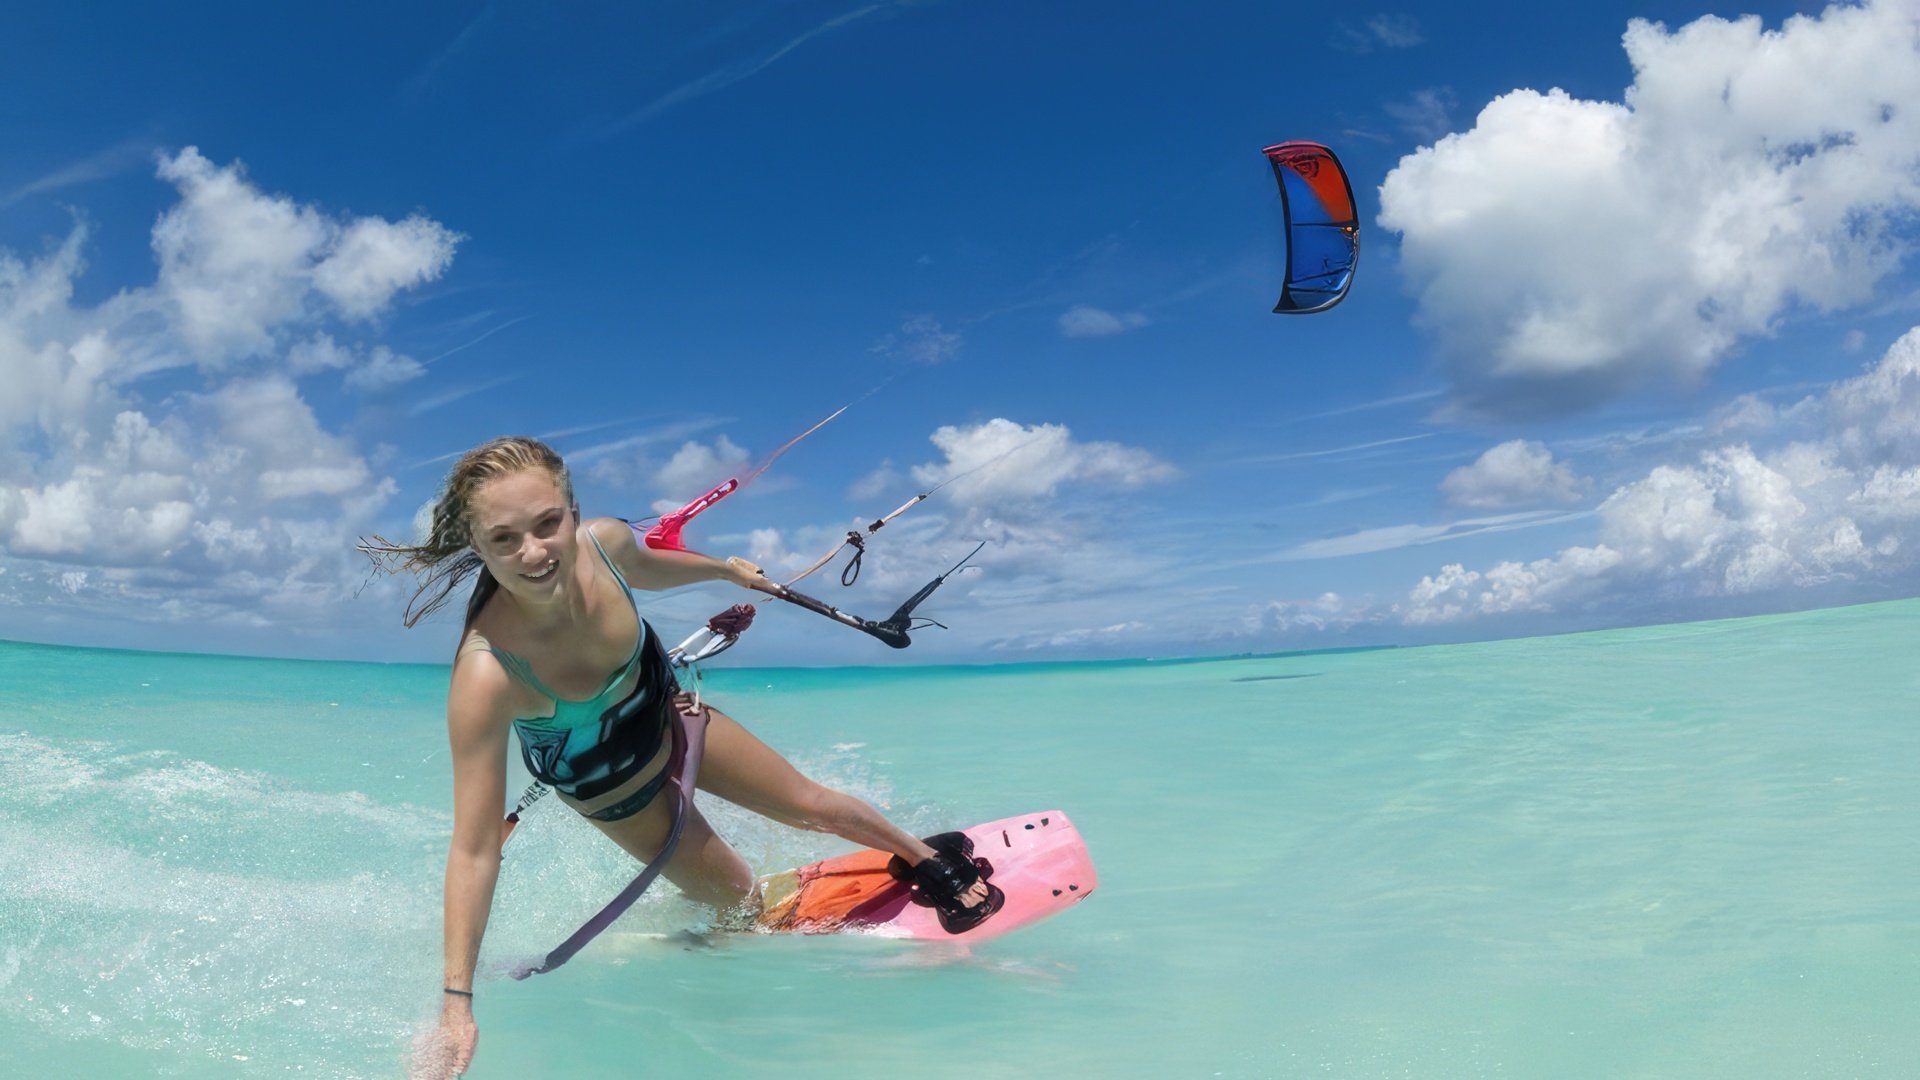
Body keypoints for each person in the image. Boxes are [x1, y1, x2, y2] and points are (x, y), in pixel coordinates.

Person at [377, 436, 998, 1076]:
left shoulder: (604, 544)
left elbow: (652, 568)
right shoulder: (487, 675)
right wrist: (457, 1003)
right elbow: (475, 847)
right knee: (739, 904)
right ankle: (683, 949)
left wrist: (724, 571)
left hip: (669, 716)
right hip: (616, 789)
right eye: (504, 539)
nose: (534, 553)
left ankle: (925, 857)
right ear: (476, 547)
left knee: (811, 804)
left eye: (547, 523)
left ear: (572, 510)